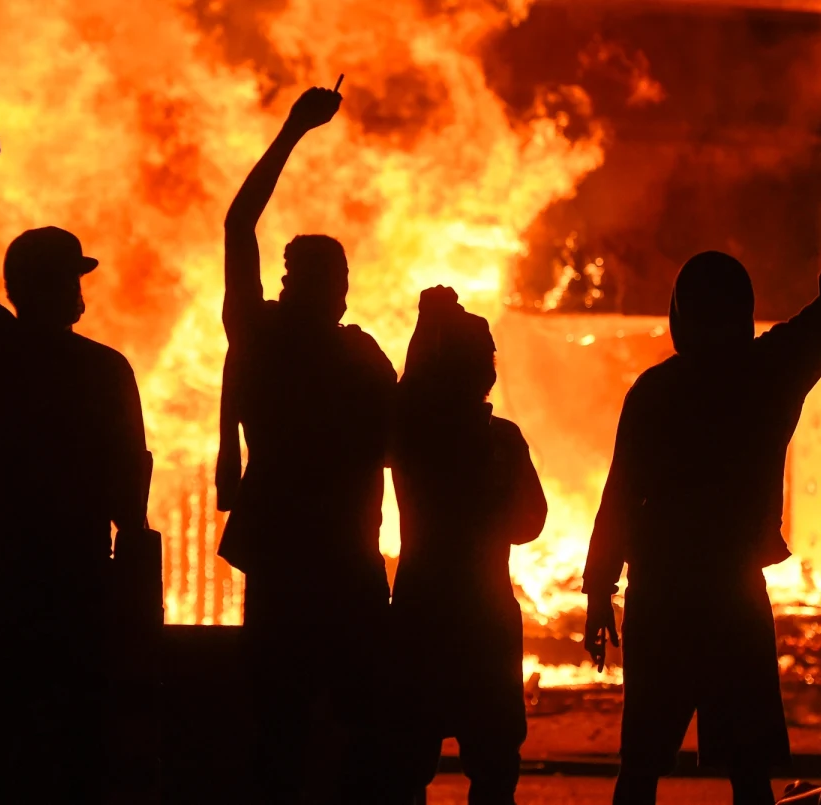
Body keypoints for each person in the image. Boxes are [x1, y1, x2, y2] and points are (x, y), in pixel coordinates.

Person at [582, 142, 821, 805]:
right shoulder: (770, 371)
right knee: (748, 774)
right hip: (732, 597)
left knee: (641, 768)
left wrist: (600, 590)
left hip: (660, 598)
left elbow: (619, 497)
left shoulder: (655, 392)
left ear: (680, 315)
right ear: (743, 309)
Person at [0, 120, 150, 803]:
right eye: (74, 277)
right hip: (77, 593)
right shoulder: (105, 370)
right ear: (53, 286)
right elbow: (129, 497)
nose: (82, 290)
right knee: (78, 761)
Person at [217, 85, 398, 804]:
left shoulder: (273, 340)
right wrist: (291, 130)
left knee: (283, 727)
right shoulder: (327, 349)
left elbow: (237, 227)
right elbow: (239, 226)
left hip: (296, 559)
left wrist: (294, 131)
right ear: (311, 284)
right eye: (335, 279)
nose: (340, 292)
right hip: (338, 559)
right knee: (343, 727)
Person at [390, 287, 547, 805]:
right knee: (495, 764)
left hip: (420, 612)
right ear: (488, 373)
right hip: (486, 615)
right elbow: (532, 521)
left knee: (407, 763)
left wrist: (426, 323)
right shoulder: (503, 440)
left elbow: (407, 395)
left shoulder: (413, 435)